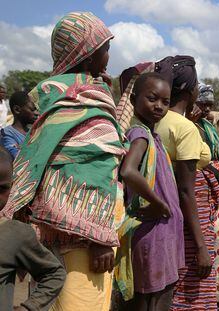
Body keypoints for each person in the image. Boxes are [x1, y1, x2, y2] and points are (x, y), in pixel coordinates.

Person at [0, 12, 126, 311]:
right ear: (87, 54)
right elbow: (95, 172)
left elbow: (38, 163)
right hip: (87, 243)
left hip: (46, 234)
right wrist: (99, 238)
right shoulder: (85, 99)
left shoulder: (51, 96)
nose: (108, 55)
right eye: (104, 48)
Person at [116, 72, 185, 310]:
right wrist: (157, 203)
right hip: (151, 232)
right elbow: (128, 172)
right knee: (149, 299)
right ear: (134, 98)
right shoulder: (140, 135)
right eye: (152, 98)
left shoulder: (152, 136)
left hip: (161, 233)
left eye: (165, 102)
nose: (159, 106)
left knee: (156, 296)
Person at [155, 56, 218, 310]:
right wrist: (202, 246)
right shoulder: (184, 128)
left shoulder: (155, 120)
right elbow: (185, 190)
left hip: (168, 216)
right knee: (192, 290)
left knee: (172, 286)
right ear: (190, 90)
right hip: (191, 222)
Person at [0, 146, 66, 310]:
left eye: (2, 189)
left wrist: (29, 307)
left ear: (12, 186)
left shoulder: (16, 233)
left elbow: (54, 273)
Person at [192, 83, 219, 301]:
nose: (206, 109)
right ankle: (207, 294)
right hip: (202, 190)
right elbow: (196, 159)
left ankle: (217, 293)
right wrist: (218, 176)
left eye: (209, 105)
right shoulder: (188, 127)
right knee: (212, 242)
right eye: (202, 104)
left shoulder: (209, 128)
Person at [0, 91, 39, 159]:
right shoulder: (6, 134)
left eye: (37, 110)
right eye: (32, 109)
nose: (37, 113)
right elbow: (19, 159)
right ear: (17, 110)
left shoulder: (34, 132)